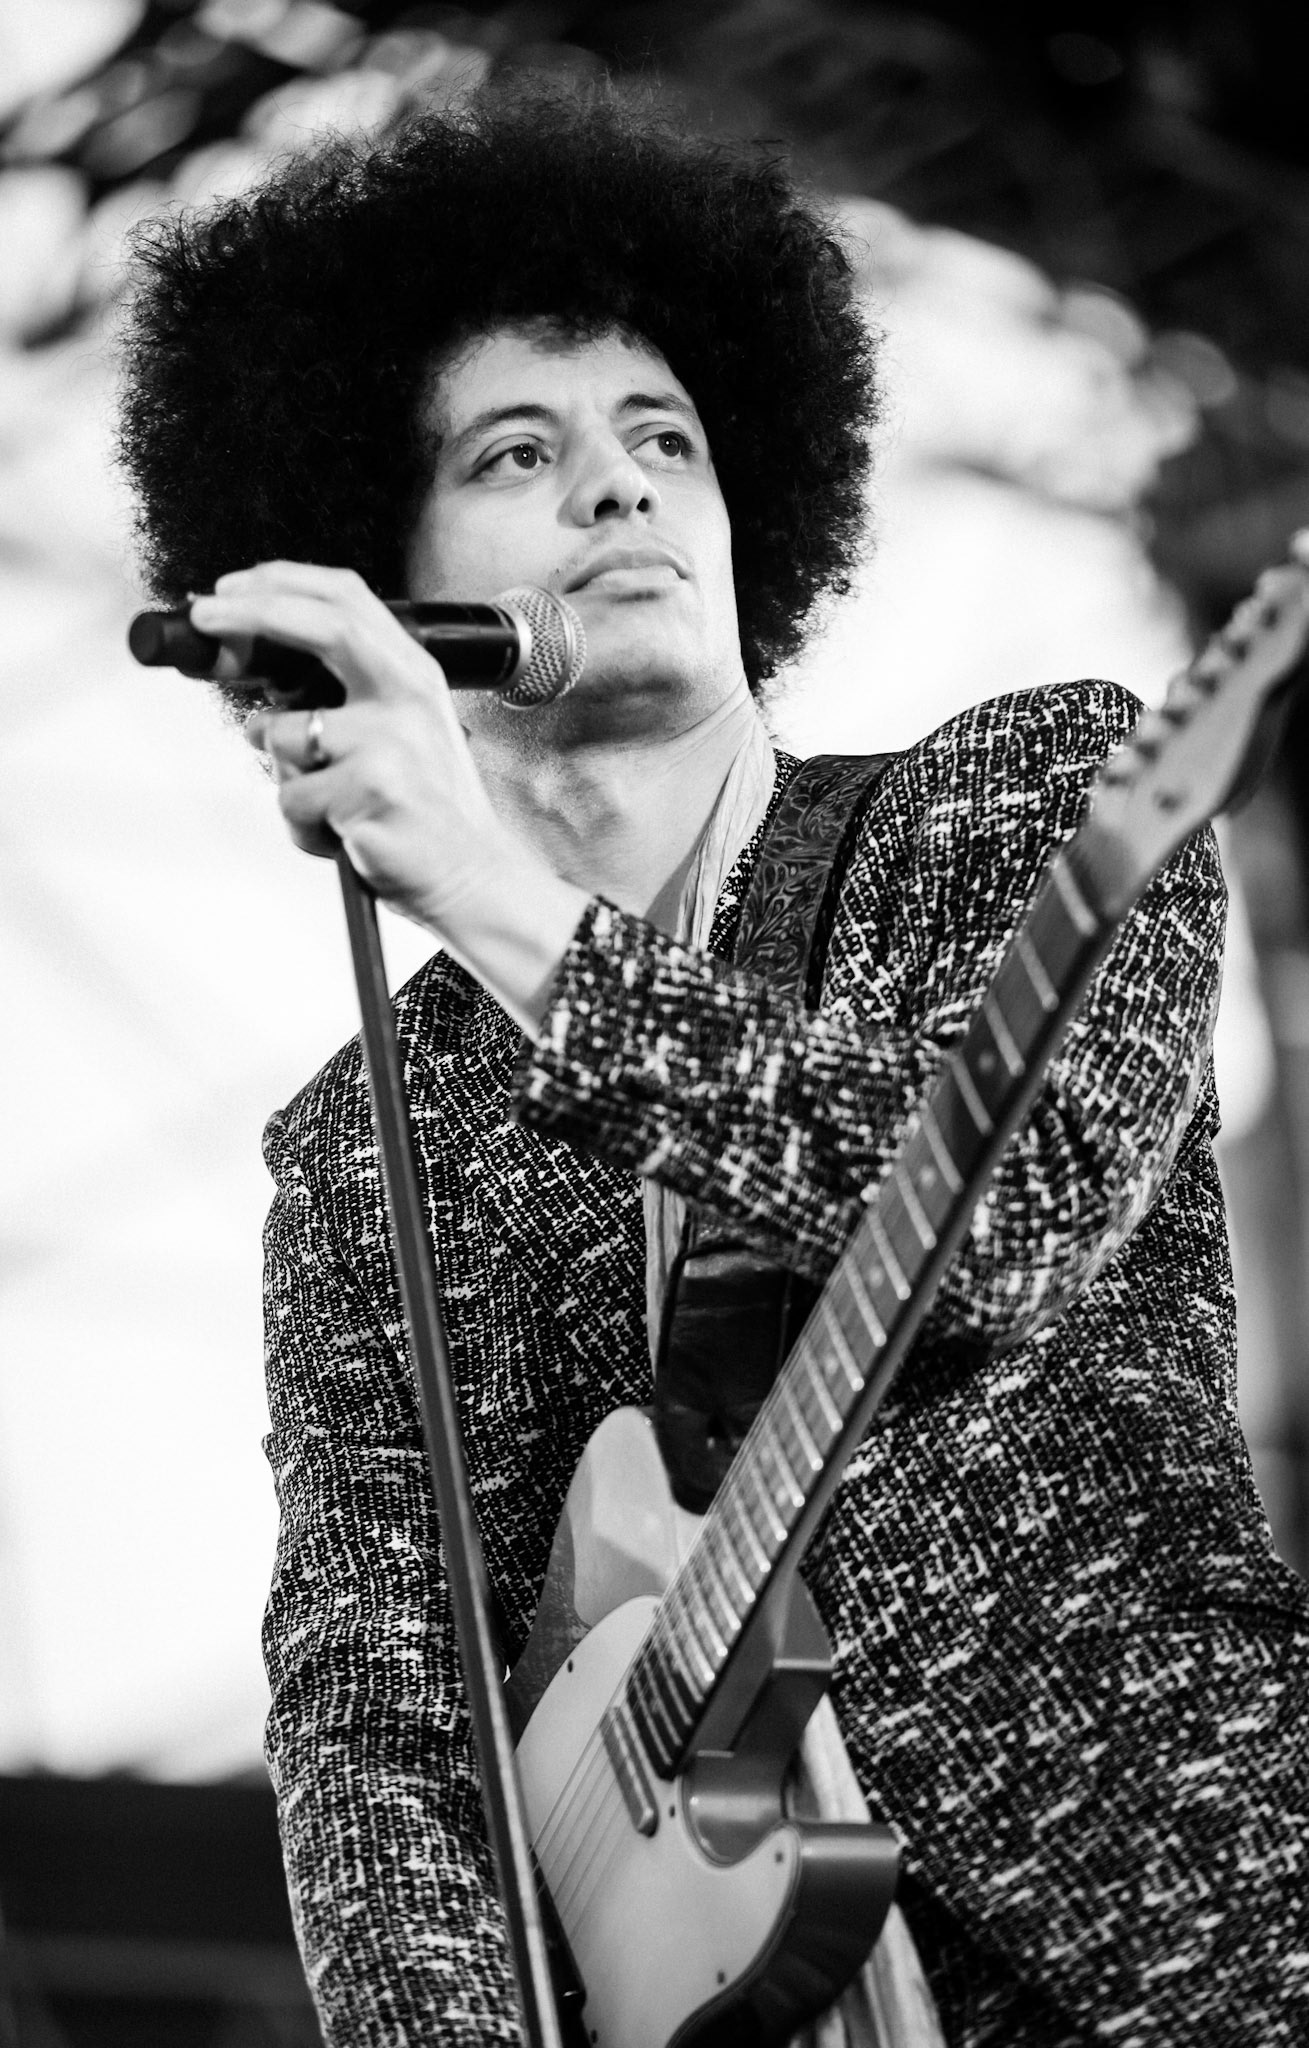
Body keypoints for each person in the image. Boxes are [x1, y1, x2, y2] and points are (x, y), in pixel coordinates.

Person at [116, 81, 1309, 2048]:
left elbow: (995, 1213)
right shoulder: (361, 1147)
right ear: (381, 583)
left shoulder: (1021, 794)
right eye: (521, 453)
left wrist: (497, 904)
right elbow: (381, 1712)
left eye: (665, 436)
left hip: (1164, 1947)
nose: (620, 489)